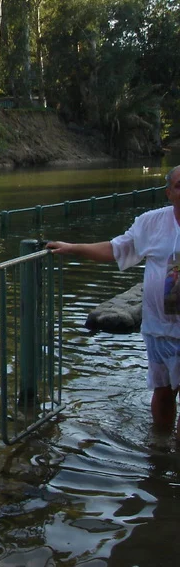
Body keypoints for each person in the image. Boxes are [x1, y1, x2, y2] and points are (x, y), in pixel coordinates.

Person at [47, 165, 180, 433]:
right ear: (169, 193)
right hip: (158, 330)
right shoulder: (151, 223)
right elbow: (116, 249)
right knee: (163, 392)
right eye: (179, 186)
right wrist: (73, 248)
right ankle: (160, 444)